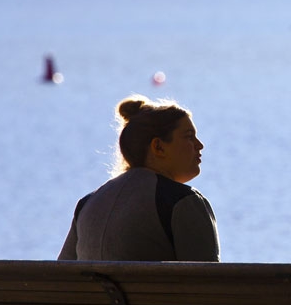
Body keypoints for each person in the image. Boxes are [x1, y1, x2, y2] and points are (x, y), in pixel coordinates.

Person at [59, 95, 220, 262]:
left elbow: (62, 272)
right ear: (158, 147)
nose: (200, 145)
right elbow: (207, 276)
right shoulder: (183, 202)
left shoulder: (87, 204)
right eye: (189, 137)